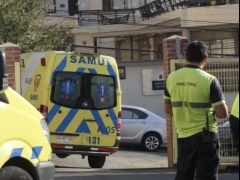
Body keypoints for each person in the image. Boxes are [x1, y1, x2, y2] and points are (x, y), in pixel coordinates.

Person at [164, 41, 229, 180]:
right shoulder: (209, 80)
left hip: (183, 136)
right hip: (206, 137)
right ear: (206, 58)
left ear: (186, 57)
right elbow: (222, 113)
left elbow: (168, 109)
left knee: (184, 176)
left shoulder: (171, 78)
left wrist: (186, 115)